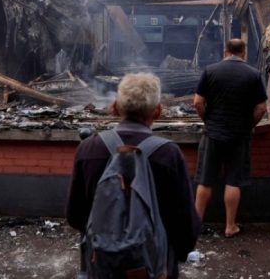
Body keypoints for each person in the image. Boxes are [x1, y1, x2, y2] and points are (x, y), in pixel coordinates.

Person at [67, 73, 201, 278]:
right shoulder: (169, 154)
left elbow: (76, 215)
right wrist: (175, 256)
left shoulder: (88, 149)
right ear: (158, 111)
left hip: (102, 263)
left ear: (114, 107)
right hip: (155, 264)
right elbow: (184, 222)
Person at [193, 38, 267, 238]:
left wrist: (208, 120)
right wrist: (249, 124)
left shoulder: (210, 71)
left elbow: (198, 102)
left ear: (225, 52)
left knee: (205, 180)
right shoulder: (254, 74)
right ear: (245, 53)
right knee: (233, 181)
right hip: (239, 134)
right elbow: (262, 107)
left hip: (213, 132)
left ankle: (196, 224)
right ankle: (230, 226)